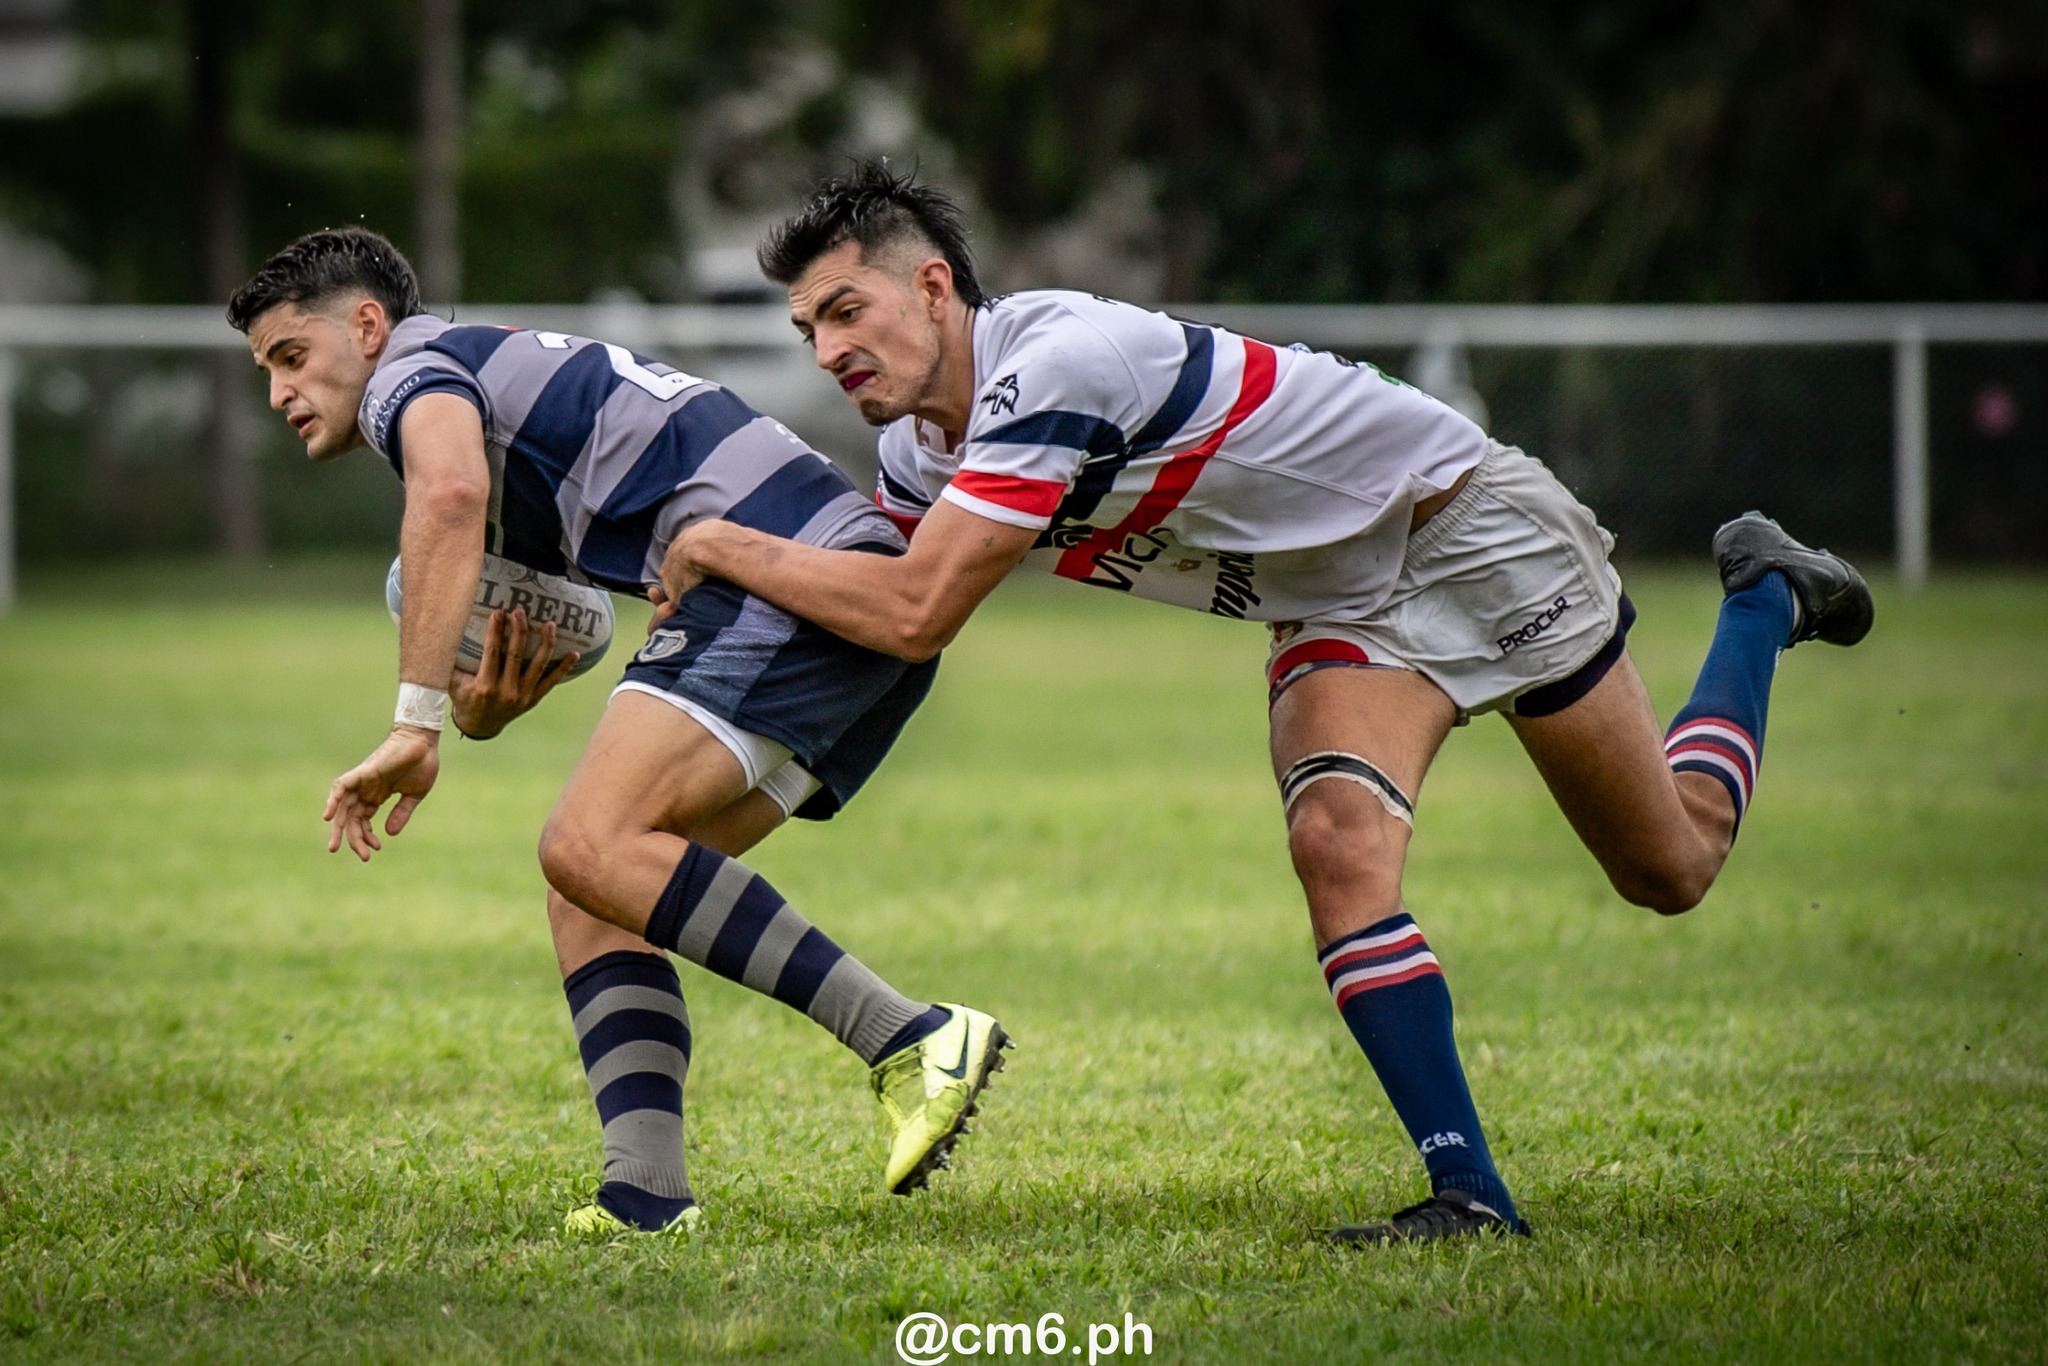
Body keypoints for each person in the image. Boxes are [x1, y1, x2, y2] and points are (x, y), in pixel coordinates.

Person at [654, 162, 1874, 1243]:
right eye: (807, 327)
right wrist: (697, 695)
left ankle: (1759, 597)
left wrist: (718, 546)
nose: (825, 350)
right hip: (1341, 605)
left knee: (1669, 864)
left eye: (844, 310)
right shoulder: (922, 454)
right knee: (1335, 845)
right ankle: (1469, 1197)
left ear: (931, 287)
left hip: (1464, 528)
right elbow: (868, 615)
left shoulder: (1052, 367)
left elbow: (913, 609)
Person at [227, 227, 1011, 1236]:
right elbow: (548, 603)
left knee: (588, 842)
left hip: (782, 582)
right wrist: (478, 708)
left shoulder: (411, 375)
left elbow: (450, 500)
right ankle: (645, 1193)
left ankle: (910, 1035)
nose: (282, 391)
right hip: (826, 593)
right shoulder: (487, 392)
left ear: (367, 327)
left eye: (293, 357)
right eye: (267, 372)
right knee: (592, 890)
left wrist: (415, 723)